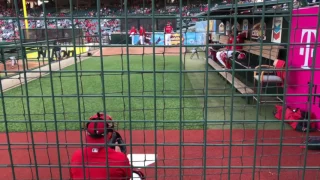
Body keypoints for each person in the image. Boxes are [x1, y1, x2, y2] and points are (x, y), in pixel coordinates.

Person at [70, 112, 132, 180]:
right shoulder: (120, 158)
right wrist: (120, 155)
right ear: (108, 134)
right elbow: (127, 177)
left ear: (87, 133)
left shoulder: (76, 156)